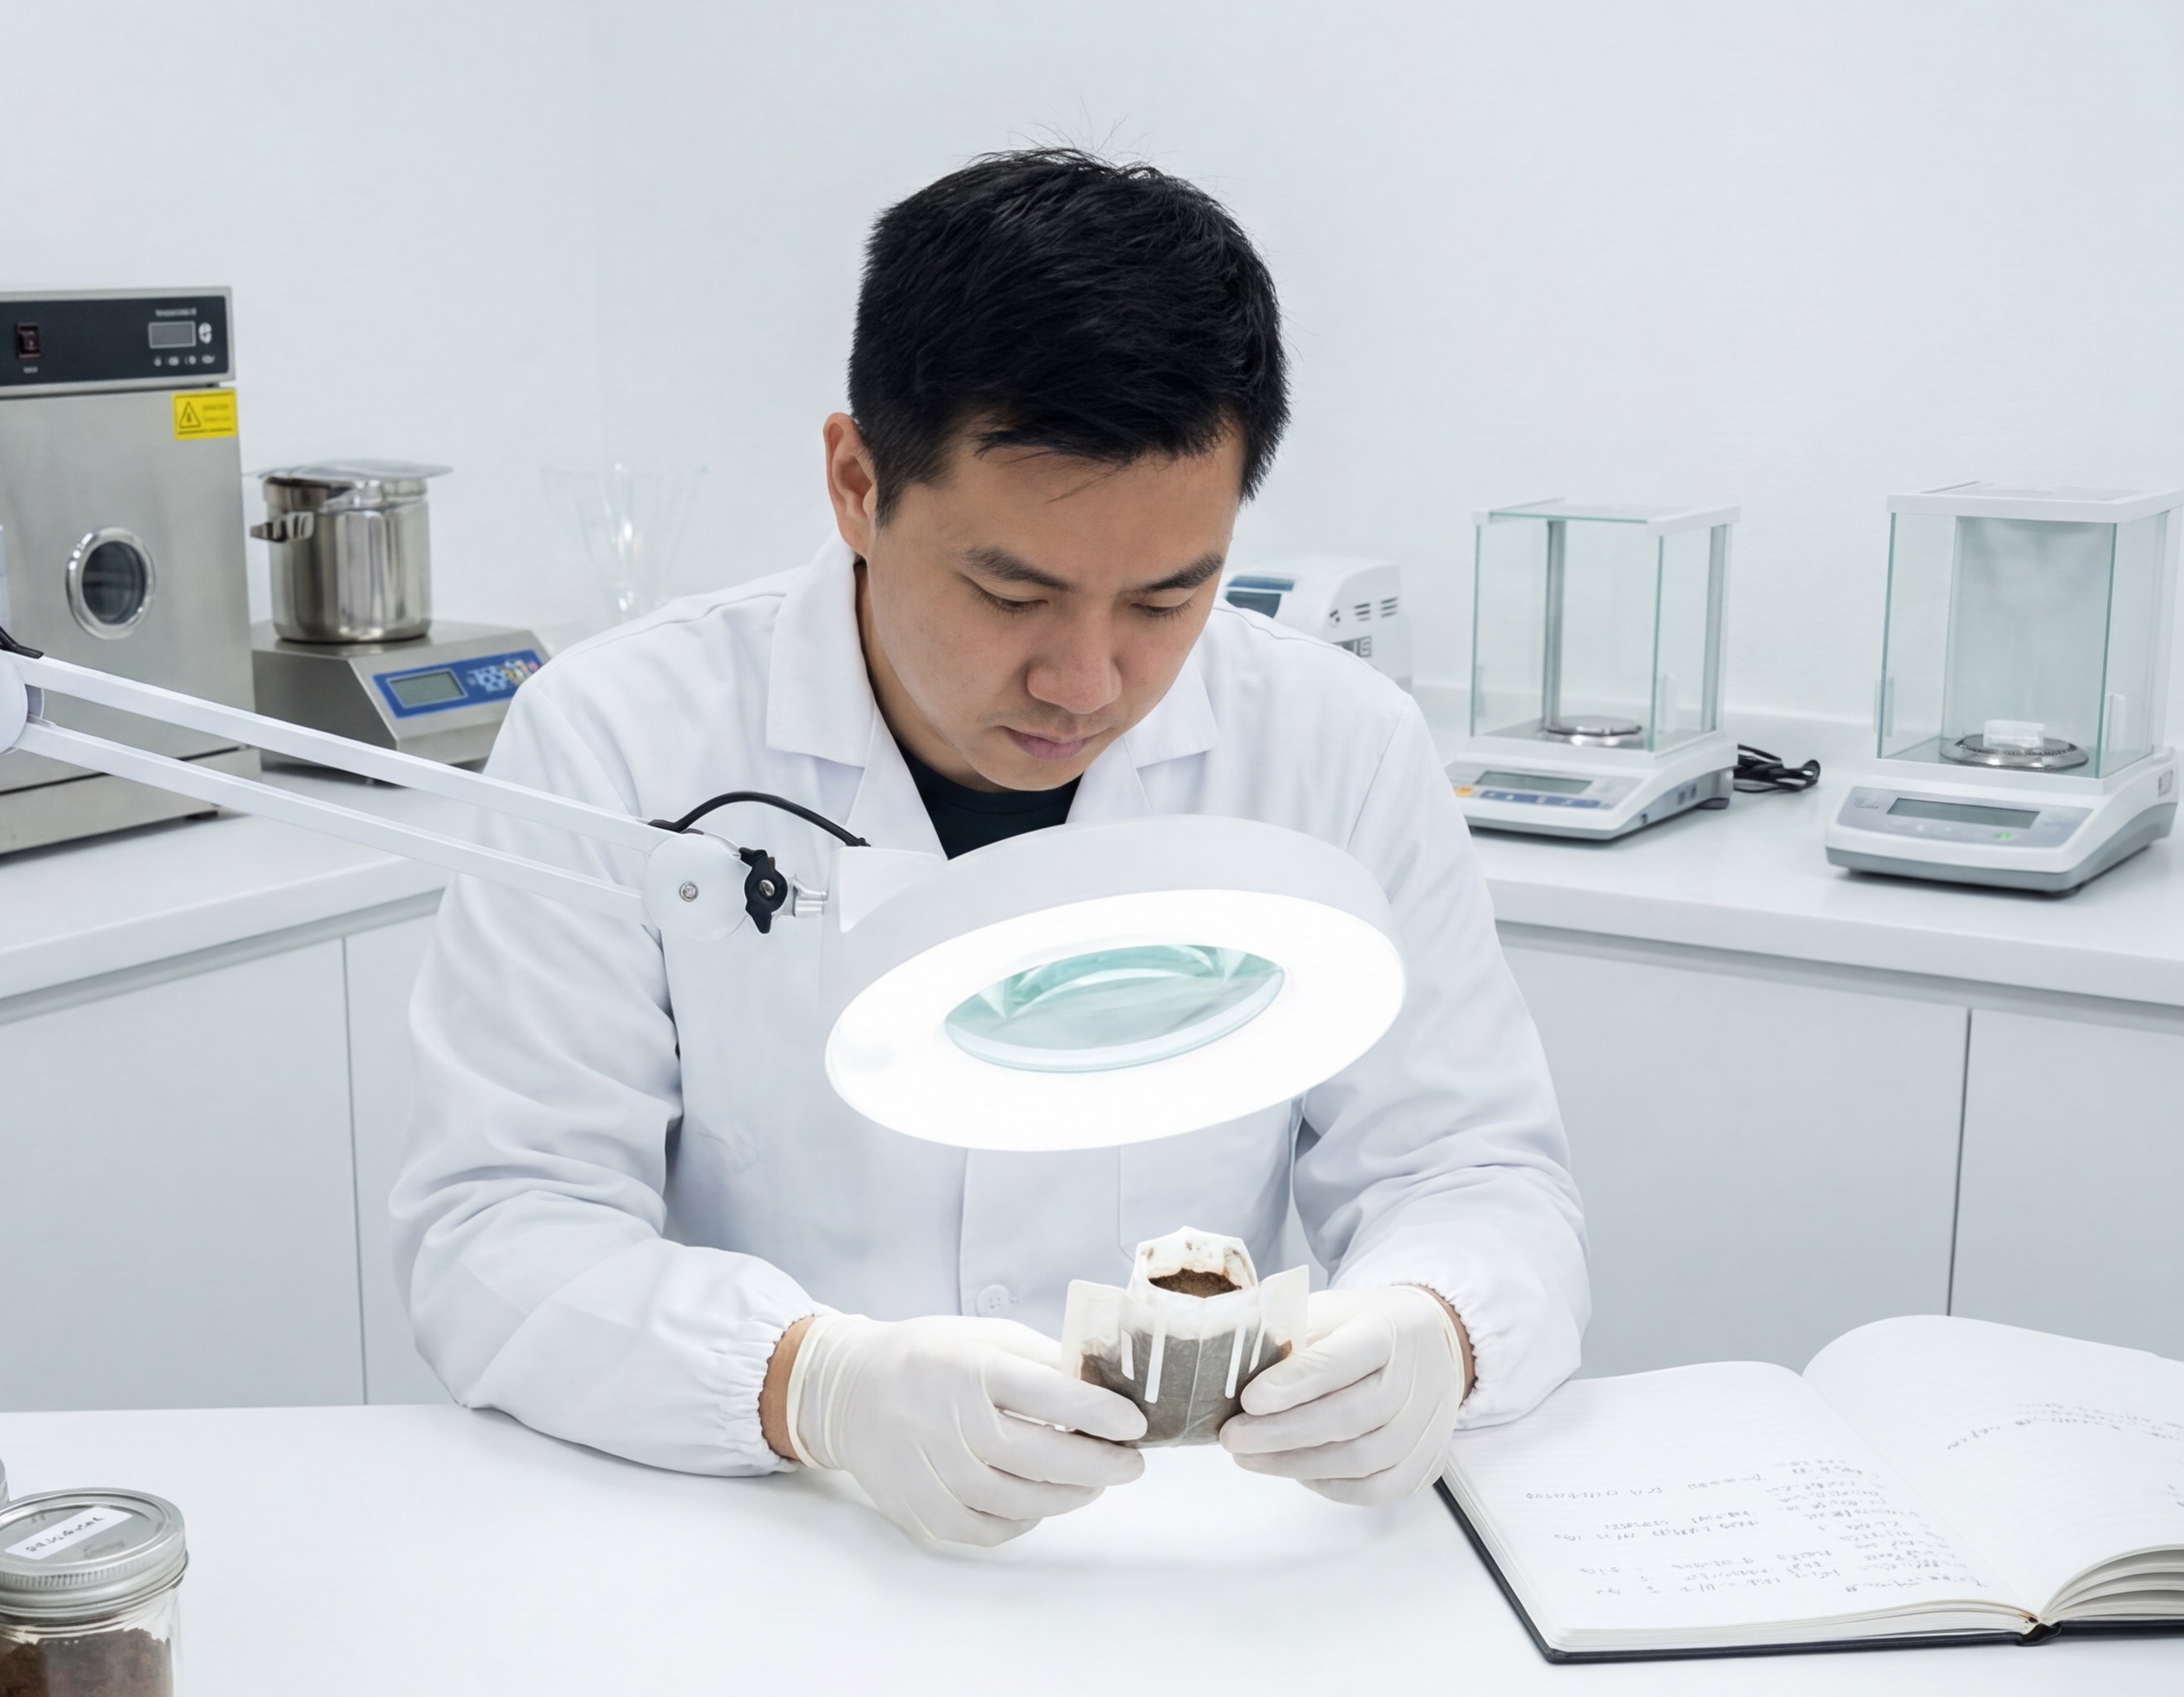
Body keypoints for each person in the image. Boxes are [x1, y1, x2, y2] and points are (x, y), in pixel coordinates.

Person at [393, 148, 1589, 1546]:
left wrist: (1438, 1323)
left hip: (1193, 1557)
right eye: (1009, 589)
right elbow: (495, 1234)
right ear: (855, 480)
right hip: (772, 1534)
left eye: (1167, 596)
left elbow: (1478, 1177)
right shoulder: (619, 739)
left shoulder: (1337, 747)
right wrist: (805, 1384)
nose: (1085, 680)